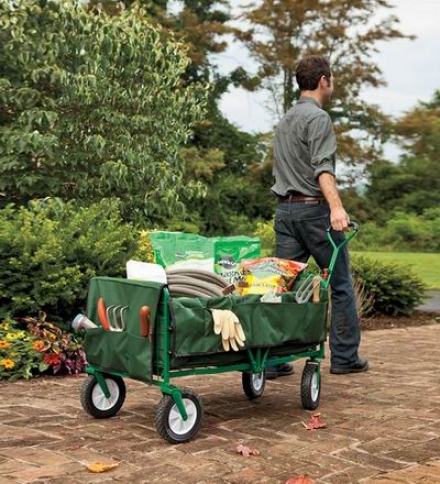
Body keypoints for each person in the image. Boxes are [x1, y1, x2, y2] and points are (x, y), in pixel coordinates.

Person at [265, 55, 368, 379]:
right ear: (324, 80)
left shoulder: (285, 120)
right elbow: (323, 167)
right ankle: (345, 357)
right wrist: (336, 208)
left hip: (285, 212)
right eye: (332, 79)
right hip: (314, 213)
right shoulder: (318, 118)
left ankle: (271, 359)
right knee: (340, 285)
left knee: (281, 288)